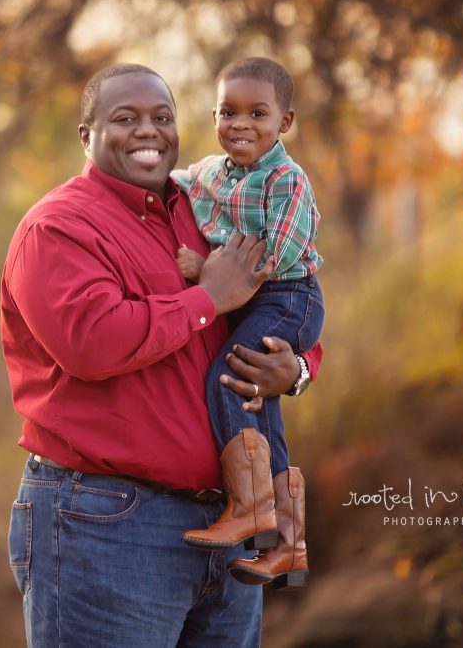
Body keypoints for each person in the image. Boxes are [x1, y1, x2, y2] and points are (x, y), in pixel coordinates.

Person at [1, 63, 322, 646]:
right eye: (125, 119)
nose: (147, 131)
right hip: (107, 525)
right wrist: (206, 299)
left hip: (230, 527)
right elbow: (92, 344)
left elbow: (283, 300)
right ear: (87, 134)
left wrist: (296, 371)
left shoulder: (206, 208)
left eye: (162, 117)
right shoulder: (59, 228)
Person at [173, 57, 323, 589]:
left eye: (257, 113)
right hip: (260, 302)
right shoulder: (214, 172)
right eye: (227, 111)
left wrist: (207, 269)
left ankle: (250, 510)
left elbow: (270, 260)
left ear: (284, 122)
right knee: (264, 412)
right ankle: (288, 545)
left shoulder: (287, 178)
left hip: (289, 296)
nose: (240, 124)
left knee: (230, 377)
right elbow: (177, 178)